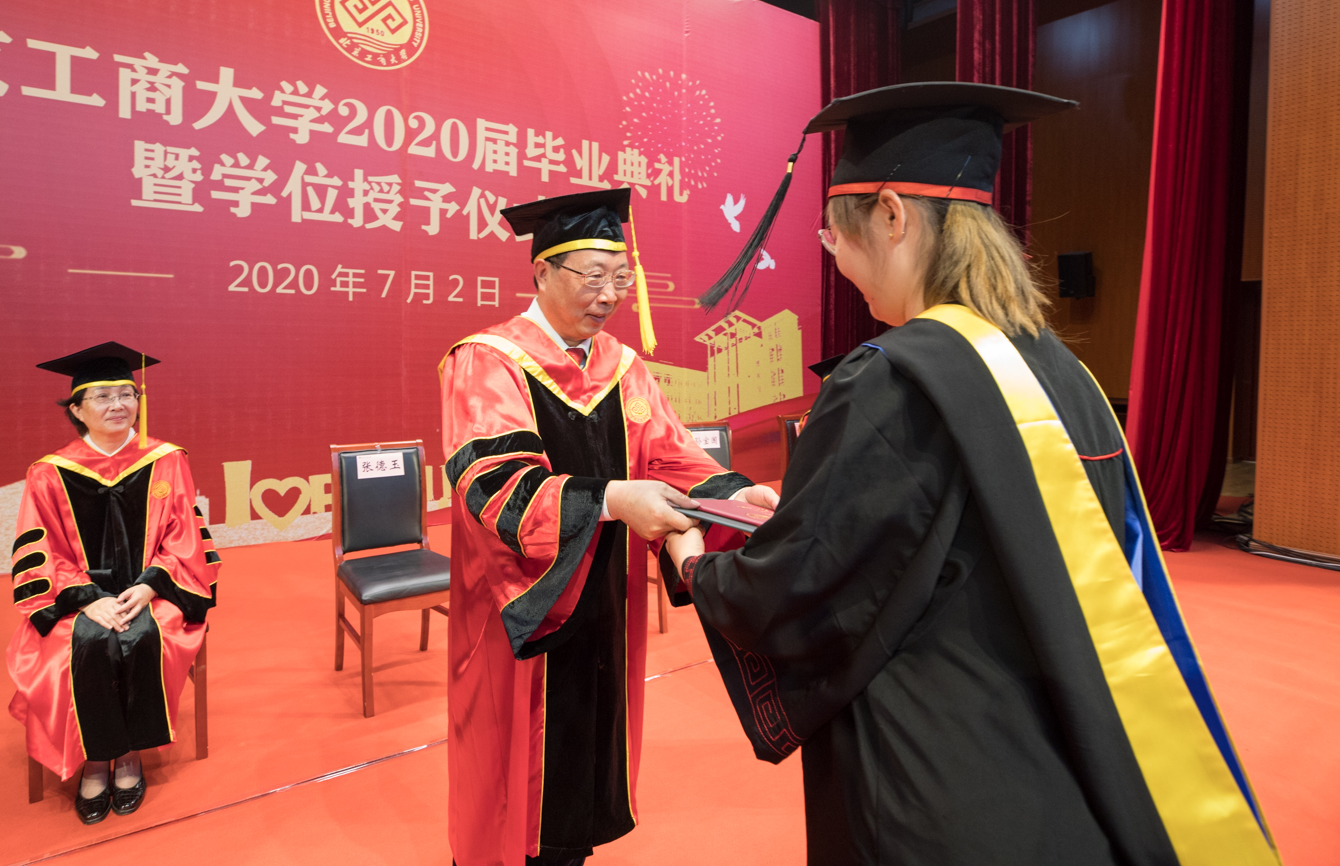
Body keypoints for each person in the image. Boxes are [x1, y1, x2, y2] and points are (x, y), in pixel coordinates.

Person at [663, 83, 1281, 866]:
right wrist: (815, 504)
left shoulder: (890, 378)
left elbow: (801, 590)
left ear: (893, 215)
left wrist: (694, 559)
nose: (838, 261)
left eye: (833, 237)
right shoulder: (1064, 372)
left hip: (930, 772)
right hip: (1058, 762)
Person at [440, 189, 780, 866]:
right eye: (593, 276)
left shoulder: (621, 367)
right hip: (523, 601)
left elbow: (673, 454)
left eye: (621, 278)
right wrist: (613, 499)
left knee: (587, 757)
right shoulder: (488, 360)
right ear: (541, 272)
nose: (610, 295)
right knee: (517, 777)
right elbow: (494, 485)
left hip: (604, 598)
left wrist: (737, 494)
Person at [6, 343, 219, 825]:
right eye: (102, 396)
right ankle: (97, 759)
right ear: (77, 409)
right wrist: (86, 600)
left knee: (144, 635)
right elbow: (41, 551)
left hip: (155, 589)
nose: (118, 405)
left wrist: (151, 585)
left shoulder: (167, 460)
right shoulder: (48, 473)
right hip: (75, 595)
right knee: (87, 641)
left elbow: (185, 535)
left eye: (127, 394)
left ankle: (129, 756)